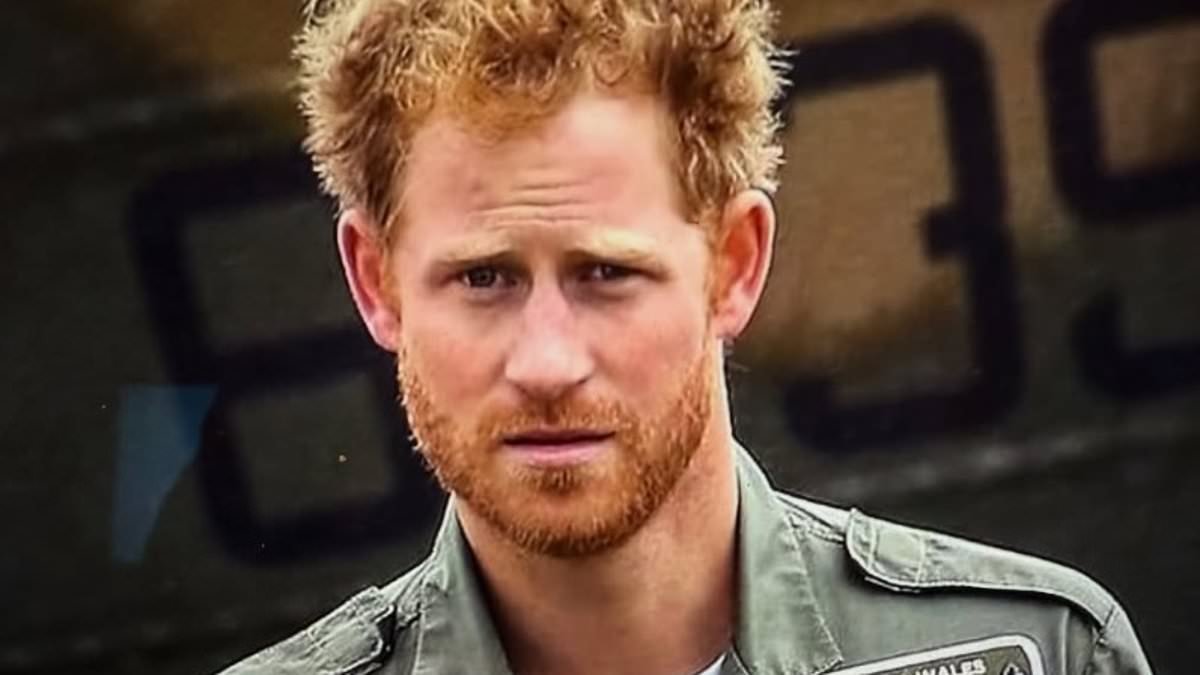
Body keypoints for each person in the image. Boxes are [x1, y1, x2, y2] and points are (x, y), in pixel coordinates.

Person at [220, 1, 1152, 673]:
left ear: (734, 263)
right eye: (483, 278)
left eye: (606, 273)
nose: (548, 362)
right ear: (375, 281)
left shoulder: (1039, 652)